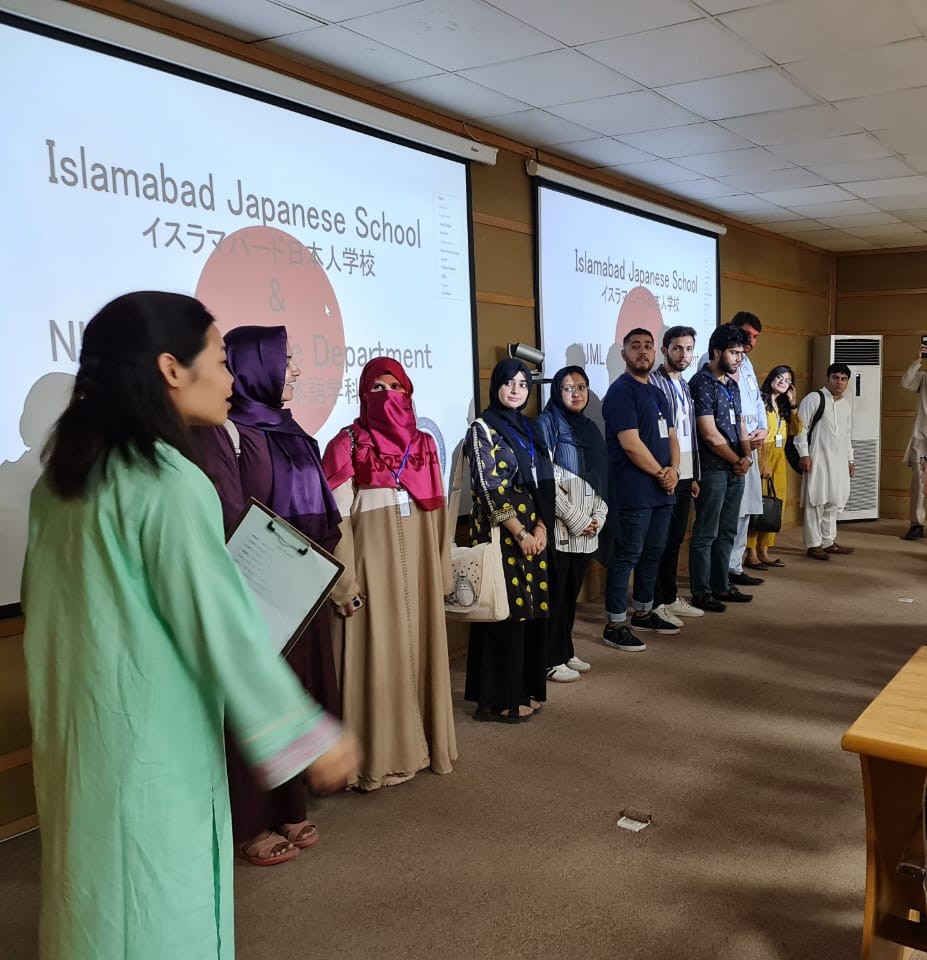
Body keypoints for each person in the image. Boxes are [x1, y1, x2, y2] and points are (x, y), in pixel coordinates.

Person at [21, 292, 358, 960]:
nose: (232, 378)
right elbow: (220, 623)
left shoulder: (60, 481)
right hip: (151, 739)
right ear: (171, 369)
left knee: (89, 896)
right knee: (155, 903)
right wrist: (306, 735)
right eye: (219, 358)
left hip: (79, 734)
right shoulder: (170, 483)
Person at [194, 324, 343, 866]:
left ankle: (288, 803)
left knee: (294, 688)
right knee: (253, 698)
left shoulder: (286, 425)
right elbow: (231, 512)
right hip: (256, 588)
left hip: (301, 585)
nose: (295, 370)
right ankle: (251, 821)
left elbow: (318, 502)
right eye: (286, 360)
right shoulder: (225, 430)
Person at [322, 357, 457, 789]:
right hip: (369, 569)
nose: (387, 397)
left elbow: (438, 513)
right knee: (377, 657)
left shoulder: (423, 445)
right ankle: (376, 760)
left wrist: (441, 571)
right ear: (362, 394)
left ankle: (421, 748)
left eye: (394, 387)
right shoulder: (346, 444)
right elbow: (335, 522)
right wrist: (344, 584)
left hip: (417, 570)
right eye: (376, 389)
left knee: (418, 652)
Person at [464, 358, 554, 721]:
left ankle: (522, 689)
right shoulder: (481, 428)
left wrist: (543, 528)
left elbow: (545, 482)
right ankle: (496, 700)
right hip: (502, 532)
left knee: (529, 614)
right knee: (502, 613)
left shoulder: (530, 428)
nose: (516, 390)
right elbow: (487, 489)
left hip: (535, 531)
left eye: (522, 384)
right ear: (495, 386)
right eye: (509, 383)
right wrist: (520, 532)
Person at [601, 328, 681, 652]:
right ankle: (615, 623)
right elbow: (631, 445)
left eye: (648, 346)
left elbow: (673, 436)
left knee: (654, 551)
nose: (643, 351)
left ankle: (644, 611)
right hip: (635, 489)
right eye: (636, 346)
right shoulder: (621, 391)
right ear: (624, 354)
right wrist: (663, 472)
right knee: (628, 555)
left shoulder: (659, 393)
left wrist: (674, 471)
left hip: (663, 489)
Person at [536, 365, 608, 682]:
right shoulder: (547, 423)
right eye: (568, 387)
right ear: (557, 391)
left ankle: (564, 649)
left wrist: (598, 516)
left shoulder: (590, 427)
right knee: (555, 594)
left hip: (585, 527)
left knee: (571, 593)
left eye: (581, 387)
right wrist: (578, 518)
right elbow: (545, 478)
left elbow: (601, 478)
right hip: (560, 527)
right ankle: (549, 658)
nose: (576, 393)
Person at [688, 324, 754, 612]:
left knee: (727, 530)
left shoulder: (732, 384)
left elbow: (740, 424)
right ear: (717, 352)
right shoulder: (700, 383)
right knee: (706, 533)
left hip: (735, 468)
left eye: (741, 353)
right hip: (713, 468)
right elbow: (709, 434)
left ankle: (721, 585)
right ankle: (701, 591)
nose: (739, 359)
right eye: (734, 353)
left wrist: (747, 456)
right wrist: (736, 459)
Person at [649, 325, 704, 625]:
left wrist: (692, 473)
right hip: (665, 473)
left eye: (688, 349)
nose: (684, 354)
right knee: (659, 540)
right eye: (678, 348)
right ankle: (656, 601)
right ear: (664, 350)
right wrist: (667, 471)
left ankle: (669, 596)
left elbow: (688, 432)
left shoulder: (683, 384)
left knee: (674, 540)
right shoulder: (654, 384)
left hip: (685, 472)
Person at [794, 362, 856, 560]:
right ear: (827, 379)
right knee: (816, 500)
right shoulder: (814, 399)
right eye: (835, 378)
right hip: (817, 458)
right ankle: (814, 544)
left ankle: (828, 541)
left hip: (838, 461)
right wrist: (804, 454)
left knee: (834, 500)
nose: (839, 382)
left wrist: (850, 459)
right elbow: (800, 429)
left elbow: (847, 434)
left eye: (843, 379)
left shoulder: (846, 404)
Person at [744, 365, 802, 569]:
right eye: (779, 377)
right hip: (763, 454)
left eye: (787, 380)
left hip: (780, 457)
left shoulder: (785, 405)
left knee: (776, 505)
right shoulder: (760, 400)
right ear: (770, 378)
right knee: (758, 505)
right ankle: (750, 553)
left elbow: (796, 430)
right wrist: (763, 461)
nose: (782, 382)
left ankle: (764, 551)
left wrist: (793, 403)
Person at [901, 344, 927, 540]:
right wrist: (918, 360)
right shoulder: (924, 377)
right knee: (919, 486)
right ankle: (917, 524)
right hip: (922, 439)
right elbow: (907, 382)